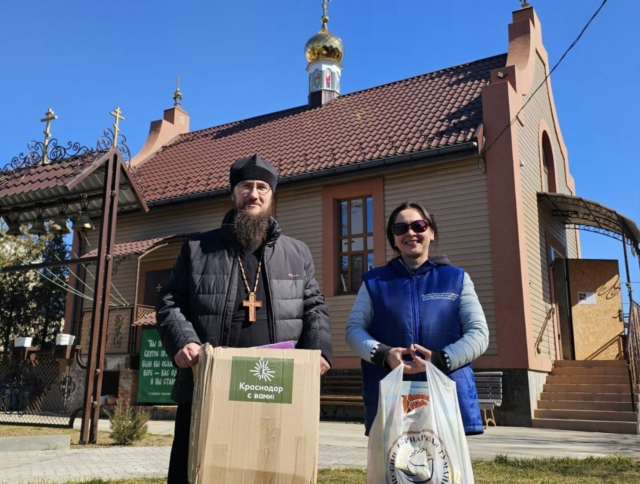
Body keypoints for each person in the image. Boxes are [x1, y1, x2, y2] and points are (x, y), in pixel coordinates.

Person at [156, 154, 332, 483]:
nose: (254, 194)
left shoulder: (297, 252)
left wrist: (318, 350)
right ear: (233, 193)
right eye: (246, 186)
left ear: (271, 195)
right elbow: (170, 301)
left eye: (262, 187)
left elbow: (314, 306)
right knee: (198, 472)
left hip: (275, 389)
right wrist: (183, 341)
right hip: (208, 383)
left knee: (269, 472)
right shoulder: (197, 248)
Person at [345, 201, 488, 436]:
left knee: (445, 460)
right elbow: (354, 330)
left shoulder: (457, 279)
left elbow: (479, 334)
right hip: (392, 396)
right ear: (394, 239)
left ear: (431, 232)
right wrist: (384, 355)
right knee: (395, 460)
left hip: (446, 395)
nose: (410, 233)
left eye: (419, 226)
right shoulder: (373, 282)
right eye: (400, 228)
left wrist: (439, 360)